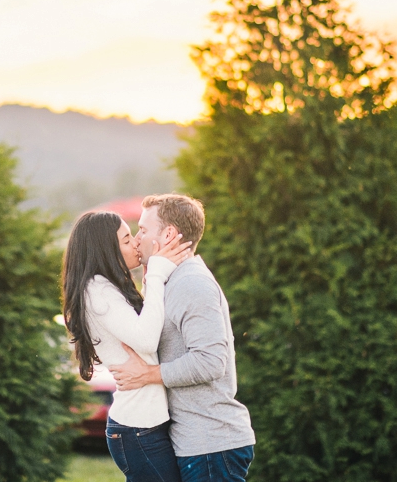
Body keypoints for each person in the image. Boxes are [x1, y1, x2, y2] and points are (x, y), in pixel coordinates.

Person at [109, 194, 256, 482]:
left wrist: (148, 375)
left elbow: (211, 361)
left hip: (211, 444)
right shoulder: (174, 280)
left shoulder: (192, 284)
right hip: (196, 442)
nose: (137, 239)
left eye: (143, 229)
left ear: (168, 234)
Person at [62, 210, 192, 482]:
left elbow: (144, 330)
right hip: (138, 428)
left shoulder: (105, 288)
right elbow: (147, 339)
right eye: (125, 239)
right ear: (105, 250)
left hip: (143, 424)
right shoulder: (98, 292)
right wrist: (156, 274)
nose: (135, 242)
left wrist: (149, 279)